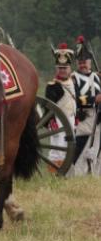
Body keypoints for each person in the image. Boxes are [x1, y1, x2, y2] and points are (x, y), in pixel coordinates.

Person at [45, 43, 76, 171]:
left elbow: (75, 102)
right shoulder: (52, 85)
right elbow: (48, 106)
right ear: (56, 69)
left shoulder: (73, 82)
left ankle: (67, 172)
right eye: (60, 67)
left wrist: (76, 117)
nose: (62, 70)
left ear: (69, 68)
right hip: (58, 121)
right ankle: (55, 174)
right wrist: (51, 121)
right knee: (57, 148)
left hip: (71, 119)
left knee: (70, 148)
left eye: (65, 67)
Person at [72, 36, 101, 174]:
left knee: (95, 149)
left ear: (90, 62)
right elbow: (76, 99)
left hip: (97, 119)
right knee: (80, 149)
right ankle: (75, 175)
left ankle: (93, 175)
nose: (83, 65)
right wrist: (94, 99)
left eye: (85, 62)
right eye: (80, 62)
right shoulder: (73, 78)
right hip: (83, 119)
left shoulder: (96, 77)